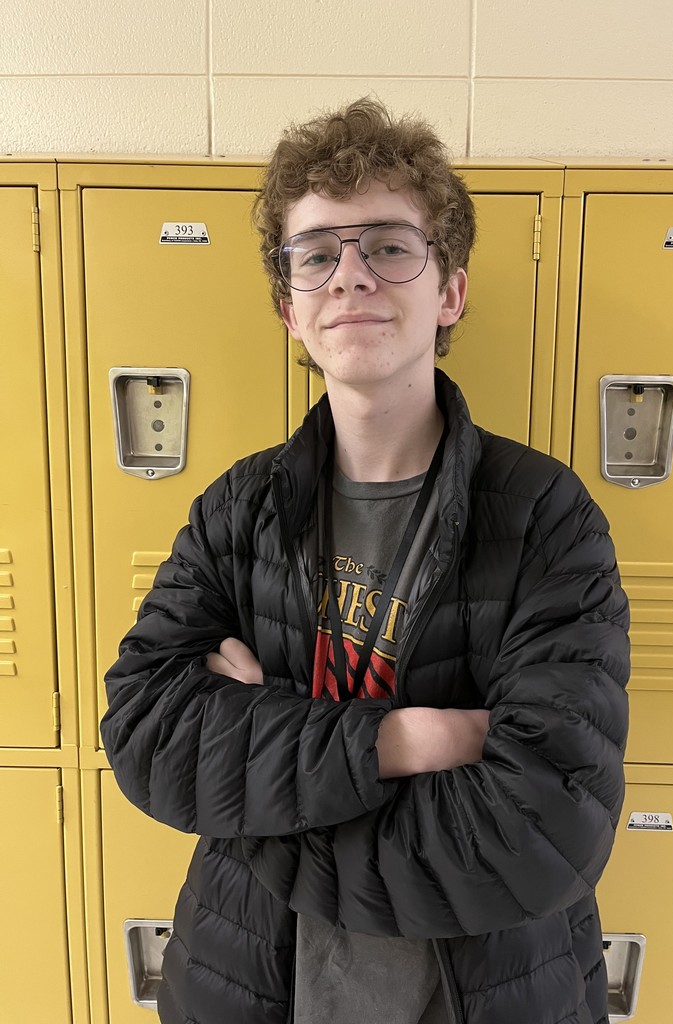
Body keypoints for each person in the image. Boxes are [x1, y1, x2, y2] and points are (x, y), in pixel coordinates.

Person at [101, 98, 630, 1024]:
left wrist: (258, 763)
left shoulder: (546, 518)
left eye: (388, 245)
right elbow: (146, 735)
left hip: (489, 989)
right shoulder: (240, 509)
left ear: (450, 291)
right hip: (255, 981)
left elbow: (545, 825)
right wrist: (408, 740)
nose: (350, 276)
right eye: (317, 254)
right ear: (289, 309)